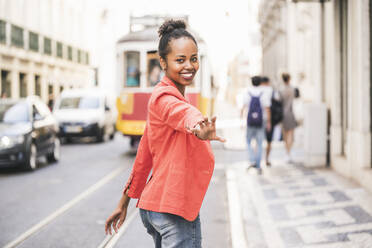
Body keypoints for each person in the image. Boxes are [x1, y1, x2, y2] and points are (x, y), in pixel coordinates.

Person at [105, 19, 225, 248]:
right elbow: (183, 114)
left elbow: (143, 157)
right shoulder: (165, 99)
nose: (189, 66)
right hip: (173, 210)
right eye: (180, 60)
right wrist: (200, 127)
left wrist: (124, 202)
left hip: (155, 208)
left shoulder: (167, 97)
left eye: (193, 58)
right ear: (162, 62)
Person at [241, 76, 271, 174]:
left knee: (248, 141)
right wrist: (269, 122)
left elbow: (243, 106)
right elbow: (267, 108)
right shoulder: (264, 93)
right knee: (259, 143)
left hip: (250, 121)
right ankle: (258, 165)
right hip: (260, 121)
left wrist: (241, 119)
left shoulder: (247, 92)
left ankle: (252, 160)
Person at [260, 76, 282, 166]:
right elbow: (277, 101)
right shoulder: (271, 91)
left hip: (258, 120)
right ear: (268, 82)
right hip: (270, 119)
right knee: (269, 141)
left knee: (258, 141)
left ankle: (258, 160)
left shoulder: (257, 90)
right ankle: (267, 159)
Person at [280, 73, 297, 163]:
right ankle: (289, 153)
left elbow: (279, 102)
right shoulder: (292, 89)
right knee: (291, 134)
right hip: (291, 113)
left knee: (285, 135)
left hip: (282, 114)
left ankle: (287, 153)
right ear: (289, 79)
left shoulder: (281, 90)